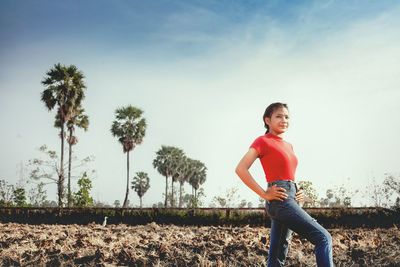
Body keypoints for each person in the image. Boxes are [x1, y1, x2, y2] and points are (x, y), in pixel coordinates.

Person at [235, 102, 333, 267]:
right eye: (278, 116)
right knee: (323, 238)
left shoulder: (289, 145)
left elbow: (288, 173)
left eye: (287, 116)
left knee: (278, 255)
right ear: (267, 120)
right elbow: (241, 169)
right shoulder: (262, 141)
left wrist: (298, 191)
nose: (284, 120)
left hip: (290, 197)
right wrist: (264, 194)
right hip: (280, 199)